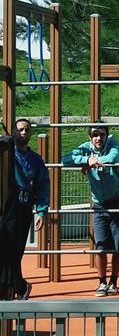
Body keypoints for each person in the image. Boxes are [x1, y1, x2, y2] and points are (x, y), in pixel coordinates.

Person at [62, 122, 119, 296]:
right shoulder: (85, 148)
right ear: (90, 137)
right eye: (95, 135)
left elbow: (113, 157)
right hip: (99, 204)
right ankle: (102, 282)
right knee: (100, 245)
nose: (99, 138)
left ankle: (114, 281)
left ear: (107, 135)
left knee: (118, 245)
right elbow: (66, 159)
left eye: (102, 135)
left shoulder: (112, 144)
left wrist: (94, 162)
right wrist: (86, 160)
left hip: (118, 201)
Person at [0, 118, 50, 300]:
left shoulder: (35, 160)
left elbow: (43, 186)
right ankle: (19, 286)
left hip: (23, 207)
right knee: (6, 248)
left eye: (27, 130)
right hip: (6, 206)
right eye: (20, 129)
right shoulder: (6, 153)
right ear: (13, 131)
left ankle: (16, 287)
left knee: (14, 250)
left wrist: (42, 211)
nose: (24, 133)